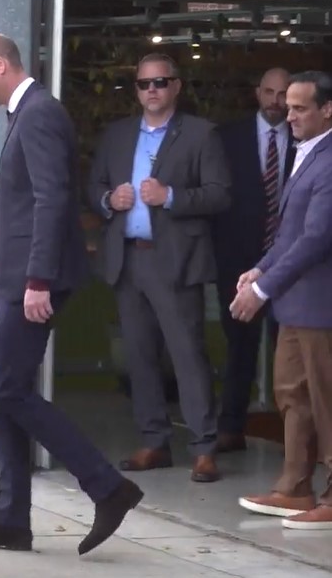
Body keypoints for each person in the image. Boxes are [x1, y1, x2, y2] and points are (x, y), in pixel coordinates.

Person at [0, 32, 143, 557]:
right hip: (14, 280)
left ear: (1, 65)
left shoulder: (39, 113)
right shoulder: (24, 113)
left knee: (9, 390)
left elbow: (54, 200)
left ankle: (107, 486)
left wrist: (36, 280)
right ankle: (11, 520)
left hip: (34, 282)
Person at [87, 52, 232, 483]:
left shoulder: (201, 135)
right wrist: (108, 200)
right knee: (139, 356)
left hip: (174, 260)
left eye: (160, 82)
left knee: (187, 354)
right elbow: (92, 184)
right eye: (144, 83)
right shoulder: (117, 135)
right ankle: (154, 441)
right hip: (127, 259)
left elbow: (220, 194)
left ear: (176, 86)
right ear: (136, 89)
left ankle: (204, 448)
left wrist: (169, 196)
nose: (152, 90)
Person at [231, 70, 332, 530]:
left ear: (327, 109)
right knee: (292, 392)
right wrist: (262, 268)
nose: (287, 115)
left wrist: (262, 289)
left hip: (320, 305)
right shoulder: (305, 152)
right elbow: (289, 234)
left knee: (326, 398)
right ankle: (295, 486)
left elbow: (316, 239)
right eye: (287, 106)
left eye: (299, 108)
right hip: (296, 302)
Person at [212, 67, 295, 453]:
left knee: (290, 351)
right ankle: (230, 426)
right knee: (239, 346)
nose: (276, 102)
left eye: (283, 94)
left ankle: (295, 434)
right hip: (238, 257)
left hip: (291, 262)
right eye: (270, 92)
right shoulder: (228, 138)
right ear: (257, 92)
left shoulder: (307, 139)